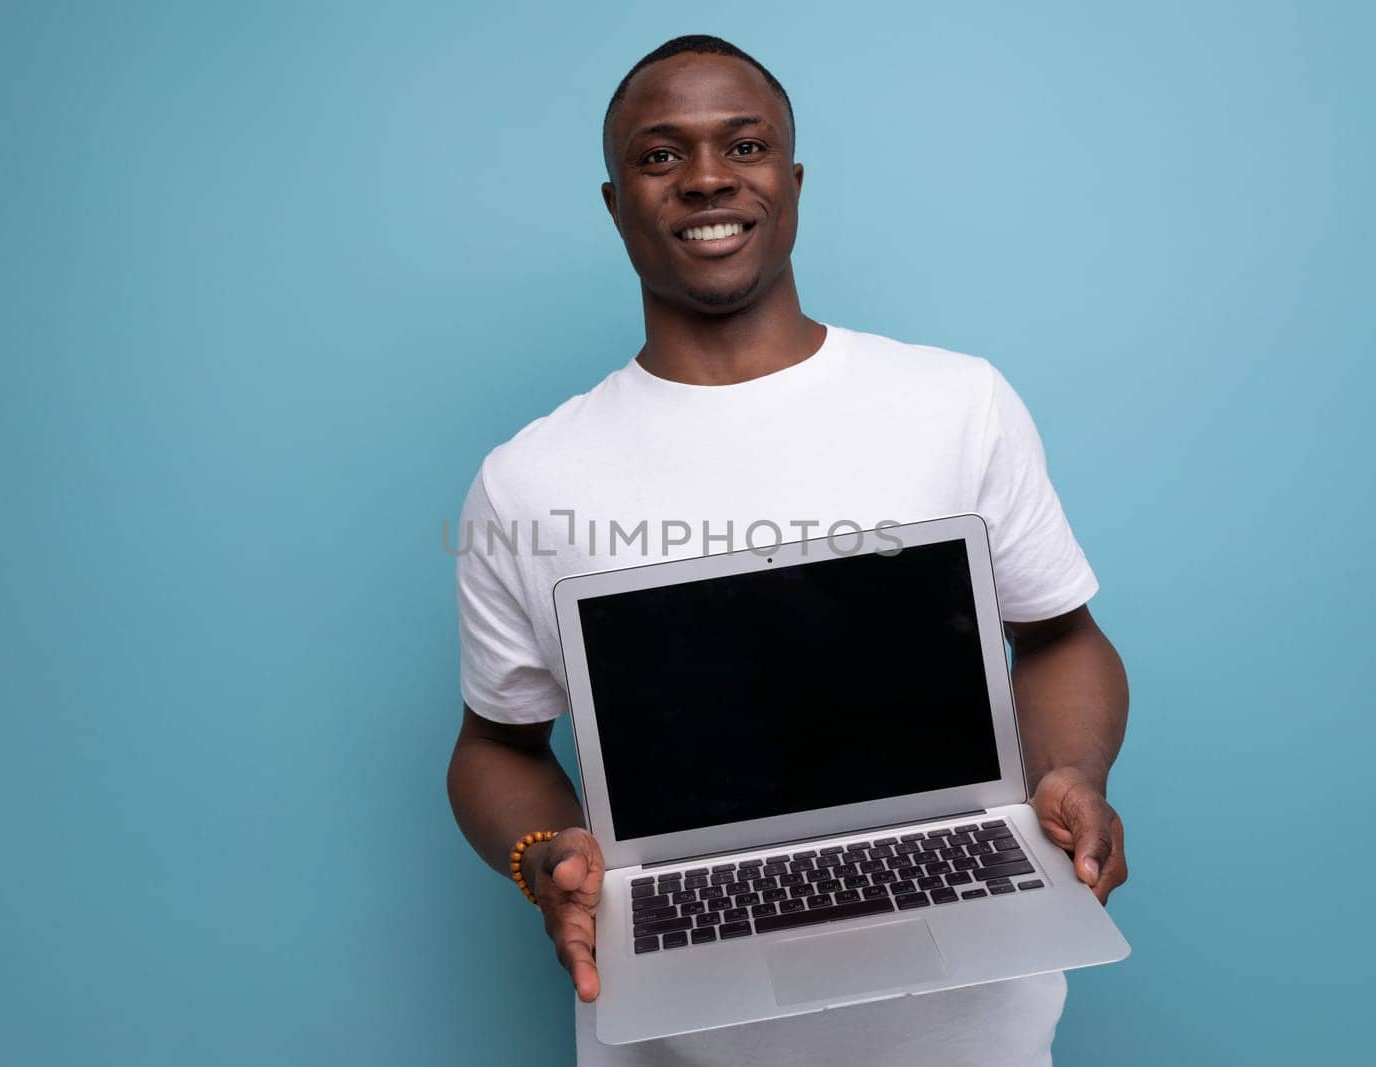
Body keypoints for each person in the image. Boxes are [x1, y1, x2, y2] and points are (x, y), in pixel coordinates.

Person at [446, 34, 1130, 1067]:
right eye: (660, 154)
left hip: (970, 1040)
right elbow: (495, 742)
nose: (708, 177)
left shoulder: (953, 402)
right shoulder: (526, 477)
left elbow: (1061, 636)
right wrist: (546, 857)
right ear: (614, 199)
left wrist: (1073, 770)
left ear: (790, 178)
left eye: (744, 144)